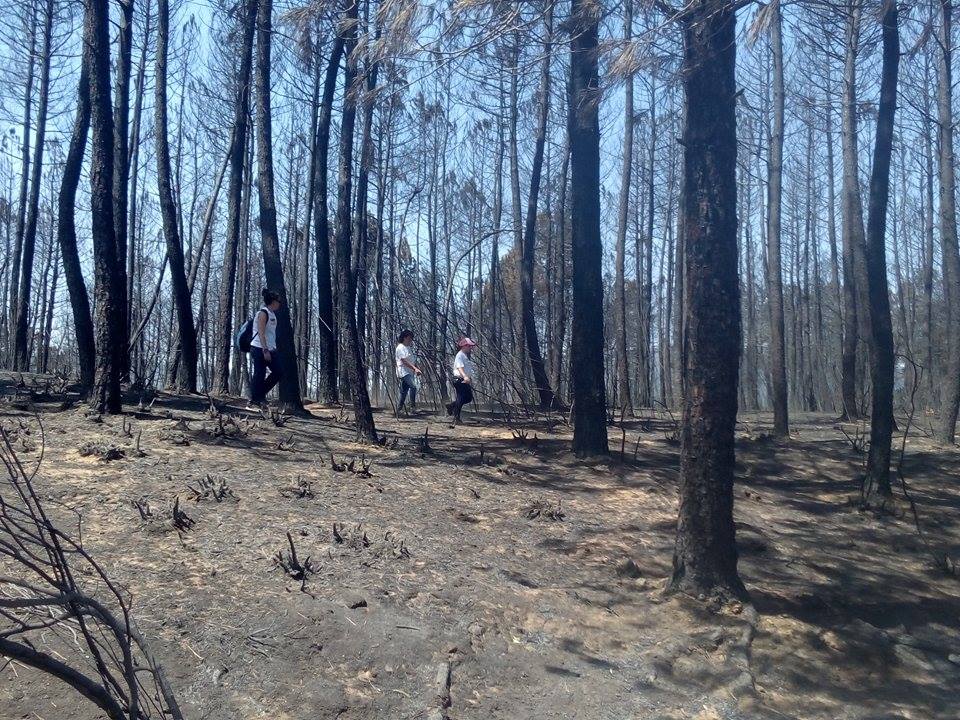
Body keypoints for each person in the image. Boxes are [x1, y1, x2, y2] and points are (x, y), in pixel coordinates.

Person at [247, 288, 284, 410]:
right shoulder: (263, 313)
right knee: (259, 374)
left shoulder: (272, 314)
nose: (279, 303)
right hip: (259, 348)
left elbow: (270, 334)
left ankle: (259, 395)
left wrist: (272, 348)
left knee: (278, 371)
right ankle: (253, 401)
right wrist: (265, 350)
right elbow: (261, 333)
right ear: (273, 301)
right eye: (278, 301)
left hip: (271, 348)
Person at [446, 336, 477, 424]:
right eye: (469, 346)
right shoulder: (460, 355)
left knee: (468, 398)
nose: (471, 348)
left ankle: (451, 406)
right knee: (461, 397)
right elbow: (459, 367)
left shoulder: (464, 356)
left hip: (463, 379)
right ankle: (456, 418)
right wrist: (465, 376)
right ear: (464, 346)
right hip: (459, 379)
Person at [395, 329, 422, 415]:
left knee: (404, 391)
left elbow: (411, 361)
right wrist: (415, 368)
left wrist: (416, 368)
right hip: (403, 372)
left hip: (409, 372)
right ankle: (412, 408)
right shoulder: (400, 347)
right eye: (410, 338)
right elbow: (404, 361)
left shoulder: (408, 348)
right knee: (413, 386)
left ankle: (399, 409)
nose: (411, 340)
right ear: (405, 338)